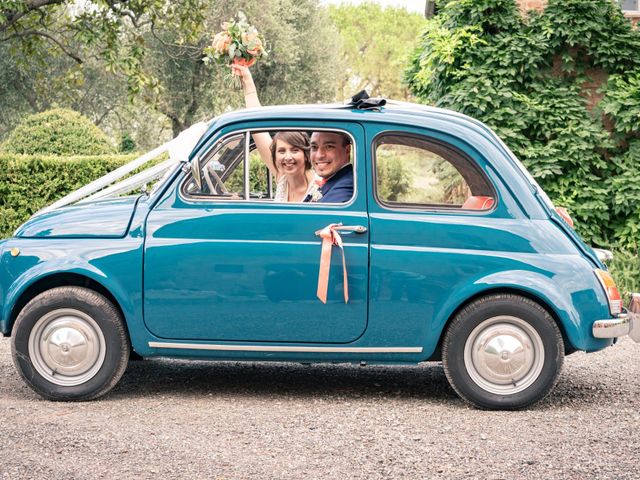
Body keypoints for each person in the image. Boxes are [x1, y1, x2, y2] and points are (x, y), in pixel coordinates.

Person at [232, 64, 316, 202]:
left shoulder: (319, 188)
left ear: (306, 154)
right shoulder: (282, 176)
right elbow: (257, 126)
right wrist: (247, 83)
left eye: (295, 150)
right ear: (275, 157)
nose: (288, 157)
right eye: (281, 151)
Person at [305, 131, 354, 203]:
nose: (319, 155)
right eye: (314, 147)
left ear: (347, 150)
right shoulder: (335, 181)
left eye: (329, 146)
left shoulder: (345, 190)